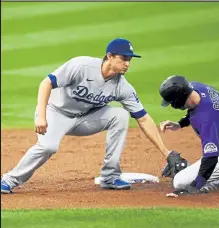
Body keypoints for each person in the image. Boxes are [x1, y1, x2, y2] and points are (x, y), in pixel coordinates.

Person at [1, 38, 173, 193]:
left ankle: (110, 176)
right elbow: (46, 83)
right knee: (48, 147)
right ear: (110, 56)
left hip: (85, 119)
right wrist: (41, 115)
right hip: (55, 112)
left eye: (129, 60)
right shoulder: (81, 66)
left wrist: (166, 152)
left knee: (120, 115)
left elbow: (143, 118)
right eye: (123, 58)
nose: (127, 64)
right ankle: (8, 180)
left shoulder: (123, 87)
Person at [159, 75, 219, 197]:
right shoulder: (197, 88)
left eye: (172, 102)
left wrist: (193, 187)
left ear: (178, 100)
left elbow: (211, 159)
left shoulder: (207, 120)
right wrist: (180, 123)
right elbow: (194, 109)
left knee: (180, 182)